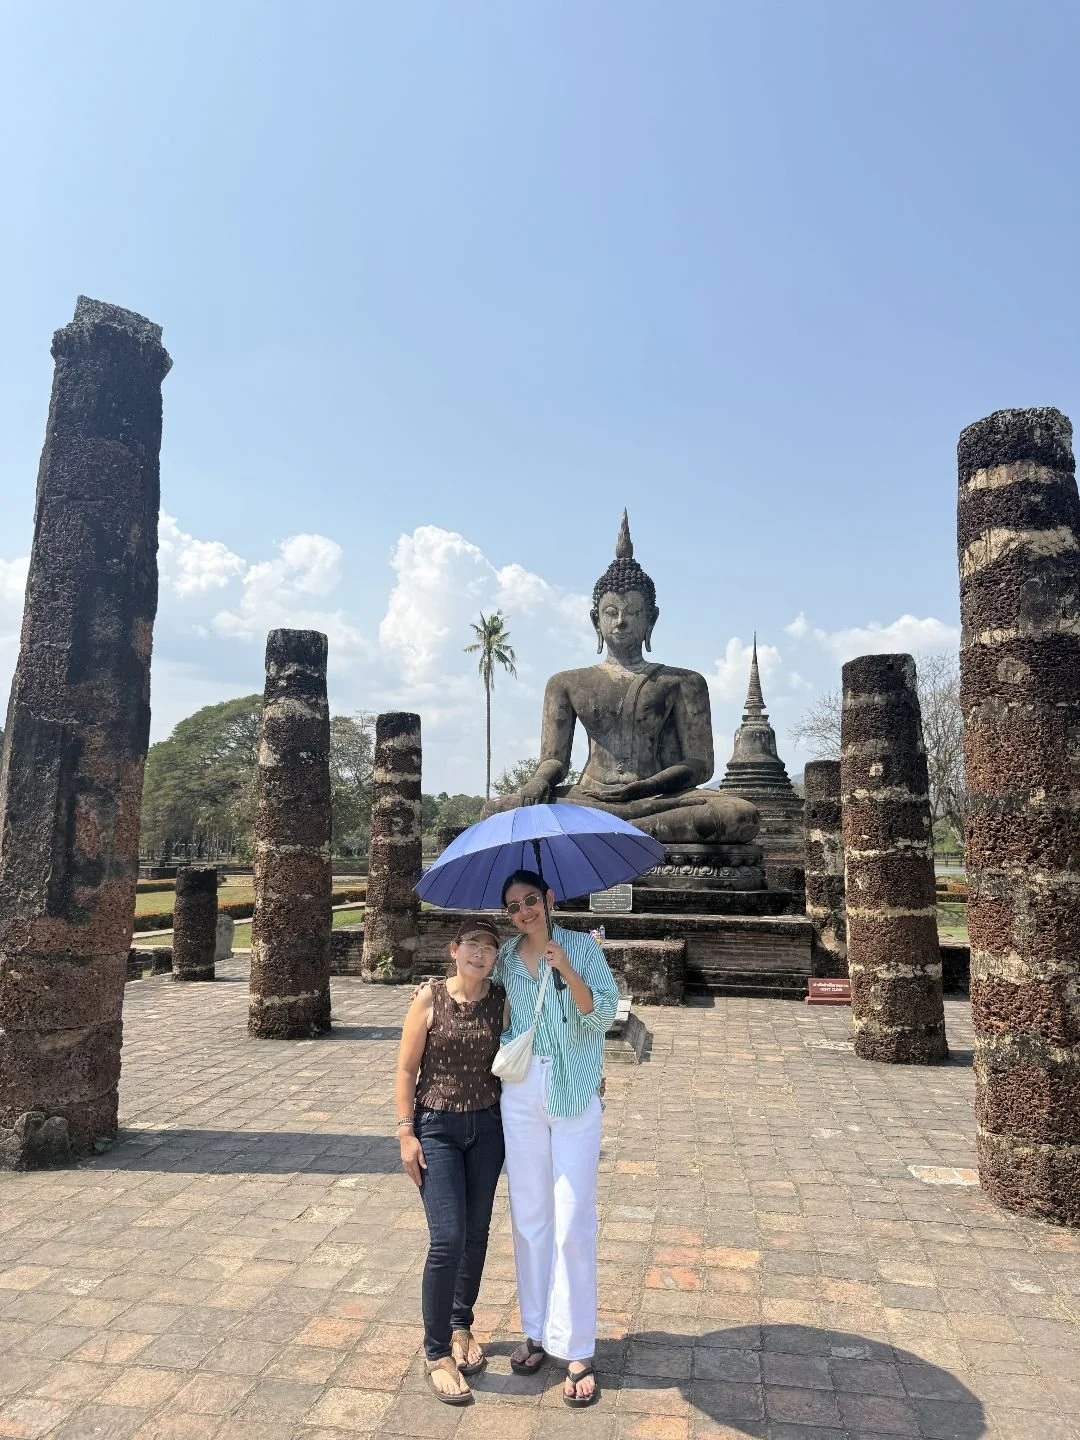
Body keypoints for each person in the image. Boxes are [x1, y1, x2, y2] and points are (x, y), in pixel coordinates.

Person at [497, 869, 620, 1409]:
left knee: (572, 1220)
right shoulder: (504, 956)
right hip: (521, 1092)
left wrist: (567, 968)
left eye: (530, 901)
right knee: (529, 1214)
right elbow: (489, 1009)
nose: (524, 912)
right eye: (513, 907)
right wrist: (437, 990)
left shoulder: (579, 946)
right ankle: (537, 1331)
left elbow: (604, 1015)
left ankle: (576, 1346)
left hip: (572, 1093)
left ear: (548, 900)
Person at [395, 918, 508, 1405]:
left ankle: (462, 1325)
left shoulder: (503, 1001)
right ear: (454, 950)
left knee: (477, 1232)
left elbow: (547, 1030)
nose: (479, 954)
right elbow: (405, 1067)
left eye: (489, 948)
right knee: (447, 1238)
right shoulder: (429, 998)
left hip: (487, 1128)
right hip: (436, 1127)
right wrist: (405, 1132)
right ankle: (437, 1350)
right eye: (472, 946)